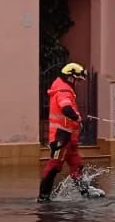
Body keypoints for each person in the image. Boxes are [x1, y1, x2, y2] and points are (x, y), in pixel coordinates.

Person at [38, 62, 104, 201]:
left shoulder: (65, 89)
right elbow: (66, 108)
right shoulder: (64, 91)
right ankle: (43, 197)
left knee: (77, 164)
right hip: (60, 138)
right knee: (54, 166)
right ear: (70, 77)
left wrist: (76, 123)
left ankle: (85, 192)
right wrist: (77, 117)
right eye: (78, 80)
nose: (79, 83)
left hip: (69, 139)